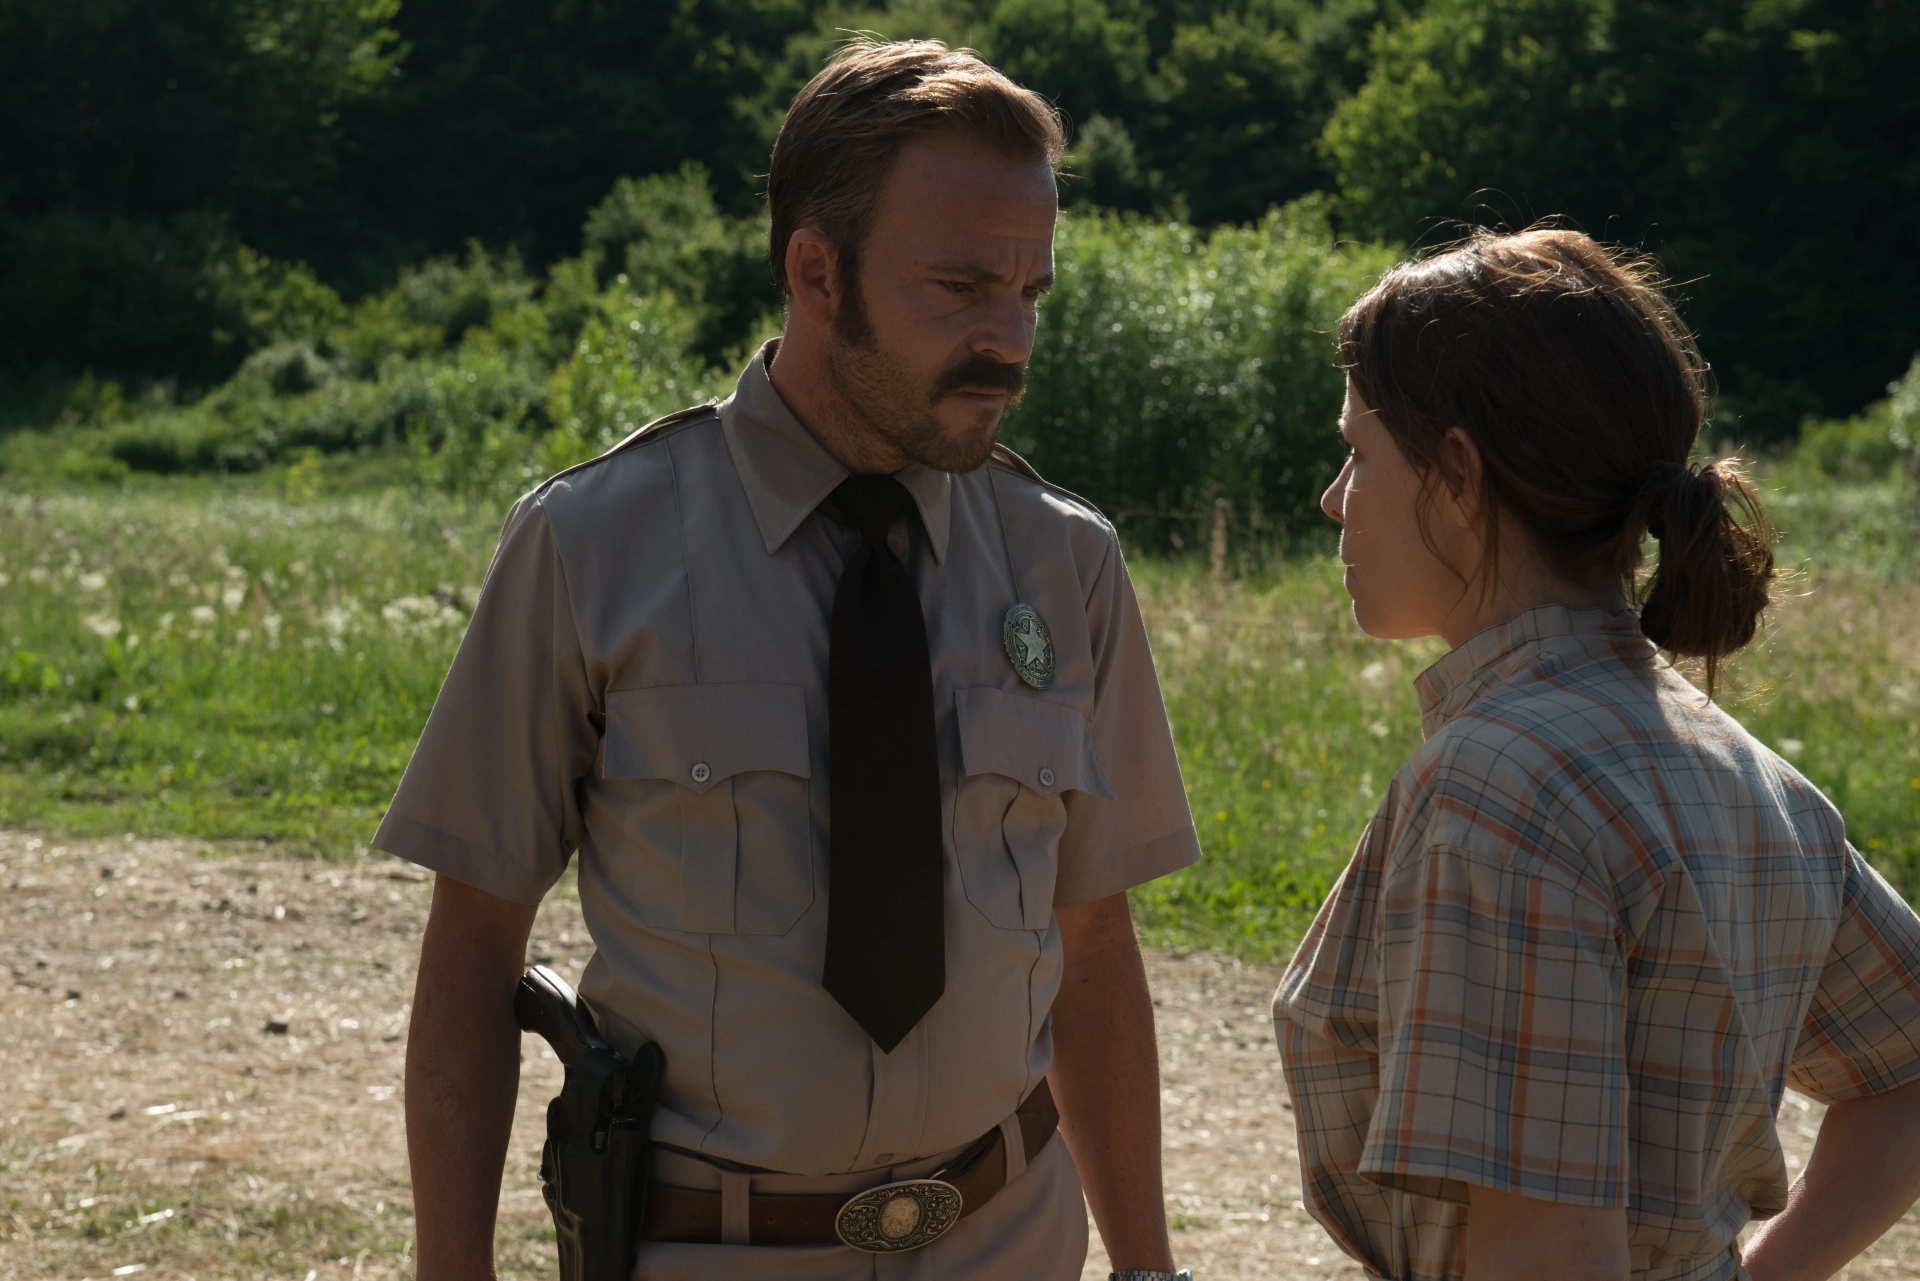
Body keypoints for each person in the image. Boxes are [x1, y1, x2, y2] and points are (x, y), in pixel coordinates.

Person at [380, 38, 1202, 1281]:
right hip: (707, 1252)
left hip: (1007, 1242)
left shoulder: (1064, 564)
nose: (1009, 343)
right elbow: (473, 947)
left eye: (1030, 293)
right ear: (816, 273)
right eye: (960, 287)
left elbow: (1093, 951)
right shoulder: (594, 545)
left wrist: (1147, 1270)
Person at [1273, 228, 1920, 1281]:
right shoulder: (1752, 773)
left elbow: (1544, 1258)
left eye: (1358, 451)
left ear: (1459, 475)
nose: (1335, 498)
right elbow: (1906, 1064)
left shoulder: (1500, 788)